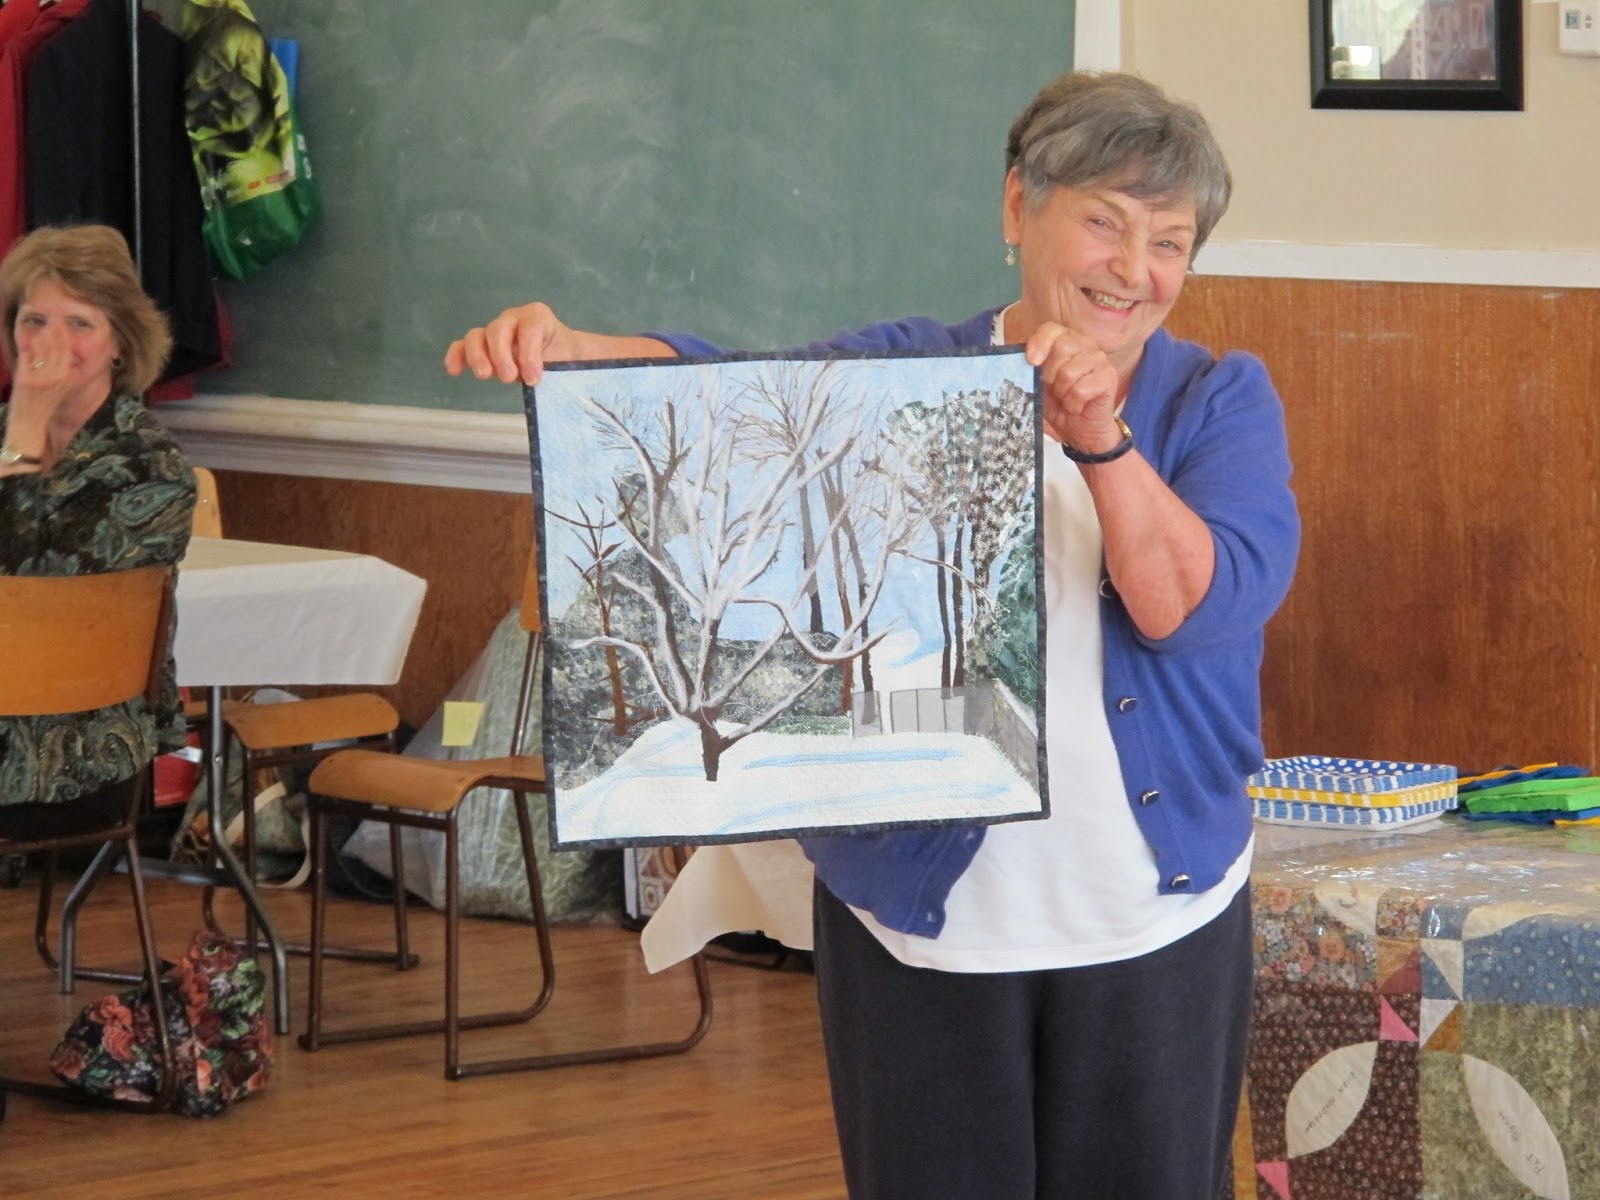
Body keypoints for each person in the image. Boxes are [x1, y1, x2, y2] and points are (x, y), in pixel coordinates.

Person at [447, 70, 1299, 1200]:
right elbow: (729, 405)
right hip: (920, 918)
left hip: (1155, 912)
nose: (1132, 271)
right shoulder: (909, 370)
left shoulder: (1218, 401)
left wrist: (1100, 440)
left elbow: (1184, 605)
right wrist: (580, 350)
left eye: (1170, 242)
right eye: (1102, 221)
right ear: (1016, 210)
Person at [0, 224, 196, 838]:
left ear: (119, 342)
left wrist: (26, 426)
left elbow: (27, 592)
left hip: (75, 751)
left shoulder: (151, 470)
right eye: (34, 321)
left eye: (78, 324)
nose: (50, 343)